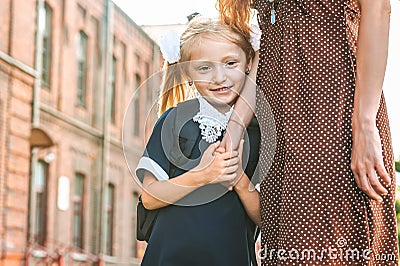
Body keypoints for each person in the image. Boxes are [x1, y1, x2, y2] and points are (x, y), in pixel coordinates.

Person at [217, 0, 398, 265]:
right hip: (281, 132)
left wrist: (365, 123)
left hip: (334, 117)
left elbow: (378, 9)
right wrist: (233, 129)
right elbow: (265, 52)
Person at [135, 17, 261, 266]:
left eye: (230, 63)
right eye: (204, 68)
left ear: (248, 63)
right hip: (171, 258)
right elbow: (149, 197)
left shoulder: (255, 133)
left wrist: (237, 178)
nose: (219, 77)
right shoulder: (176, 120)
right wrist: (202, 174)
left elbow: (264, 217)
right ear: (186, 72)